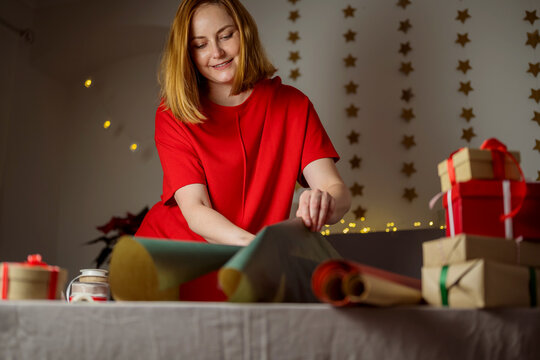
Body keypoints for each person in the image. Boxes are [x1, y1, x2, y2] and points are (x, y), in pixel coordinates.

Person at [136, 0, 351, 247]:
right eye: (200, 45)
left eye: (226, 36)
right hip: (175, 255)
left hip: (250, 256)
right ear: (188, 54)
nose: (217, 52)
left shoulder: (293, 105)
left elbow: (337, 190)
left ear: (244, 33)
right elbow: (196, 210)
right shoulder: (172, 114)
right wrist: (259, 248)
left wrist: (324, 201)